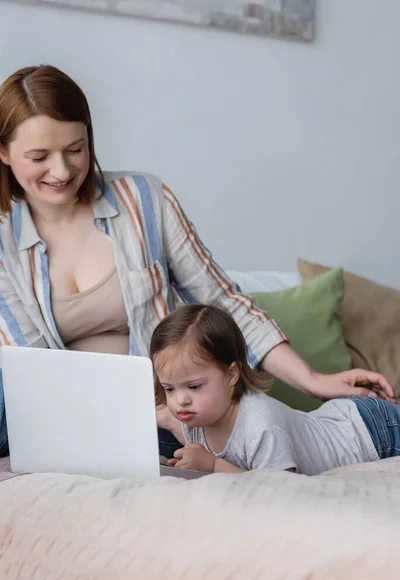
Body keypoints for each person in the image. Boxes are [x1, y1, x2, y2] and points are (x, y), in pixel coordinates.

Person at [0, 65, 394, 459]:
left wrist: (312, 380)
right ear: (3, 152)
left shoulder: (143, 201)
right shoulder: (3, 240)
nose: (63, 170)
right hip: (72, 419)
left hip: (173, 417)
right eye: (39, 156)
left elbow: (223, 301)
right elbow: (33, 369)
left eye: (75, 149)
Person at [150, 304, 400, 475]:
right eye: (169, 389)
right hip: (339, 420)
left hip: (371, 432)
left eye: (194, 386)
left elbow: (281, 489)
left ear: (231, 375)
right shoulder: (193, 417)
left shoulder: (260, 425)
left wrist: (213, 466)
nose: (180, 400)